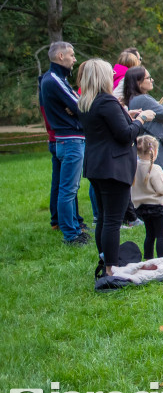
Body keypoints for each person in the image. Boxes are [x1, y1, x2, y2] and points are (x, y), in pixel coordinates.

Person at [77, 58, 154, 275]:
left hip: (96, 164)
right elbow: (124, 135)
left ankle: (105, 259)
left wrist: (126, 116)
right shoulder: (106, 102)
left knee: (103, 216)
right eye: (109, 73)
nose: (113, 76)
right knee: (112, 219)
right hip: (113, 166)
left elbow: (107, 127)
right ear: (102, 77)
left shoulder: (86, 102)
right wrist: (142, 120)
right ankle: (111, 268)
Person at [38, 41, 90, 244]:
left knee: (65, 187)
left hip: (65, 139)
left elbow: (75, 106)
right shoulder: (54, 79)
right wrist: (76, 111)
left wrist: (74, 109)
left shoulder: (55, 79)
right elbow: (79, 106)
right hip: (70, 140)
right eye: (72, 55)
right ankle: (71, 234)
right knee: (68, 189)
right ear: (60, 56)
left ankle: (72, 226)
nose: (74, 59)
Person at [123, 66, 163, 180]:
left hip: (153, 152)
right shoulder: (142, 99)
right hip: (159, 154)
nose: (152, 80)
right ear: (138, 82)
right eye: (148, 78)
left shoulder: (136, 98)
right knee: (160, 192)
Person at [132, 135, 163, 259]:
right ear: (154, 151)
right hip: (157, 208)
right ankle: (162, 260)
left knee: (149, 235)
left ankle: (148, 259)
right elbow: (161, 188)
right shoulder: (155, 169)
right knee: (161, 235)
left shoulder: (134, 167)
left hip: (141, 208)